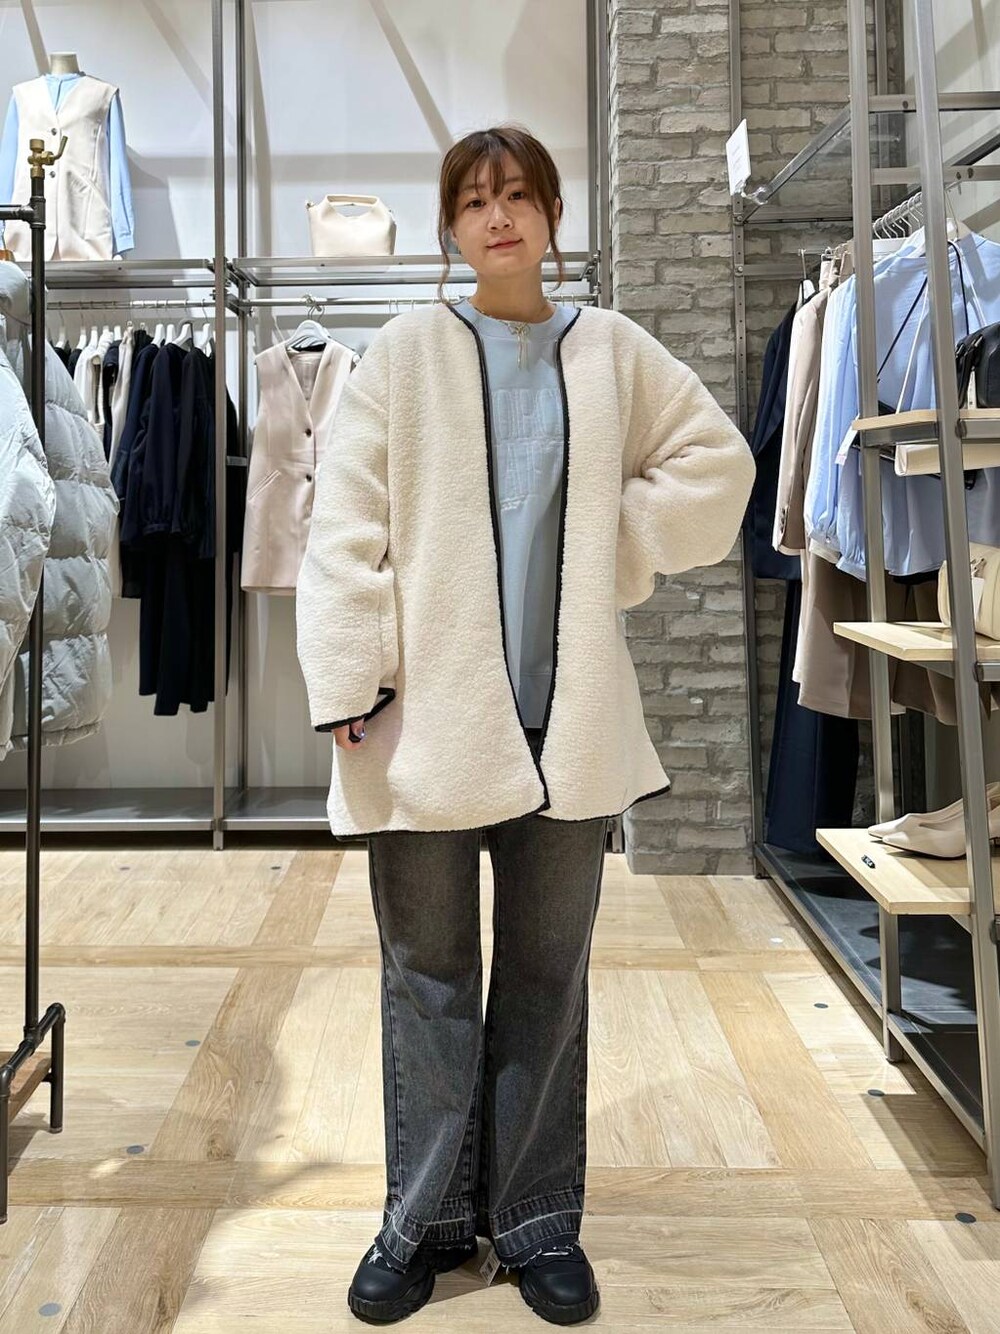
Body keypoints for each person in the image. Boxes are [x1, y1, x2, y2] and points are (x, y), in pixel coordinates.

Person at [295, 125, 755, 1325]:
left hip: (571, 729)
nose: (496, 217)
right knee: (428, 977)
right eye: (473, 200)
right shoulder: (403, 354)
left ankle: (539, 1219)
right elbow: (342, 526)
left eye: (516, 196)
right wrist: (350, 677)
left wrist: (616, 541)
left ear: (551, 212)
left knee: (548, 978)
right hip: (422, 729)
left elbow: (715, 466)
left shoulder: (611, 350)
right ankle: (425, 1223)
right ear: (450, 226)